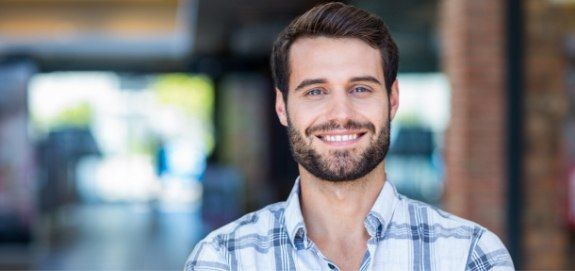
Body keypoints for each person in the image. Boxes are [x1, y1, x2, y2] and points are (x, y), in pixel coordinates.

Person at [184, 2, 514, 271]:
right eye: (315, 91)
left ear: (393, 99)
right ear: (282, 107)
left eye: (360, 88)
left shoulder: (471, 255)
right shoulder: (224, 259)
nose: (340, 114)